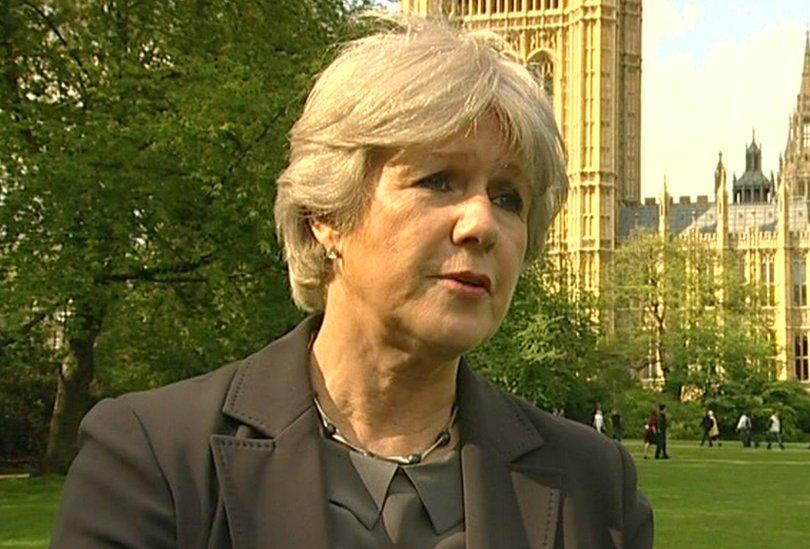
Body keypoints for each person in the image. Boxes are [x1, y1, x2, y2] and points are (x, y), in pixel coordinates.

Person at [51, 19, 653, 548]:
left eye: (508, 197)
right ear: (327, 215)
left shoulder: (595, 489)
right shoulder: (154, 458)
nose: (482, 224)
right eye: (439, 180)